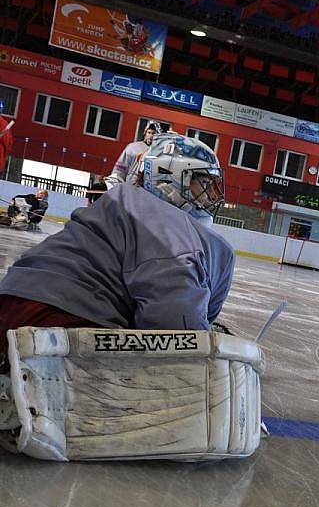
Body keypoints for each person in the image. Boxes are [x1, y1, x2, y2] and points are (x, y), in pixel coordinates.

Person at [0, 132, 233, 365]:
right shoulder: (170, 223)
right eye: (204, 184)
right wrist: (200, 340)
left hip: (12, 300)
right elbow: (174, 323)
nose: (212, 195)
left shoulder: (120, 199)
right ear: (168, 177)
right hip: (63, 324)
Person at [108, 120, 161, 185]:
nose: (151, 135)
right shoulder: (132, 147)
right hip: (130, 185)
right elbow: (120, 168)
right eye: (149, 132)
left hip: (147, 189)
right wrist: (116, 184)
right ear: (145, 133)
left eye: (153, 133)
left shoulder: (159, 152)